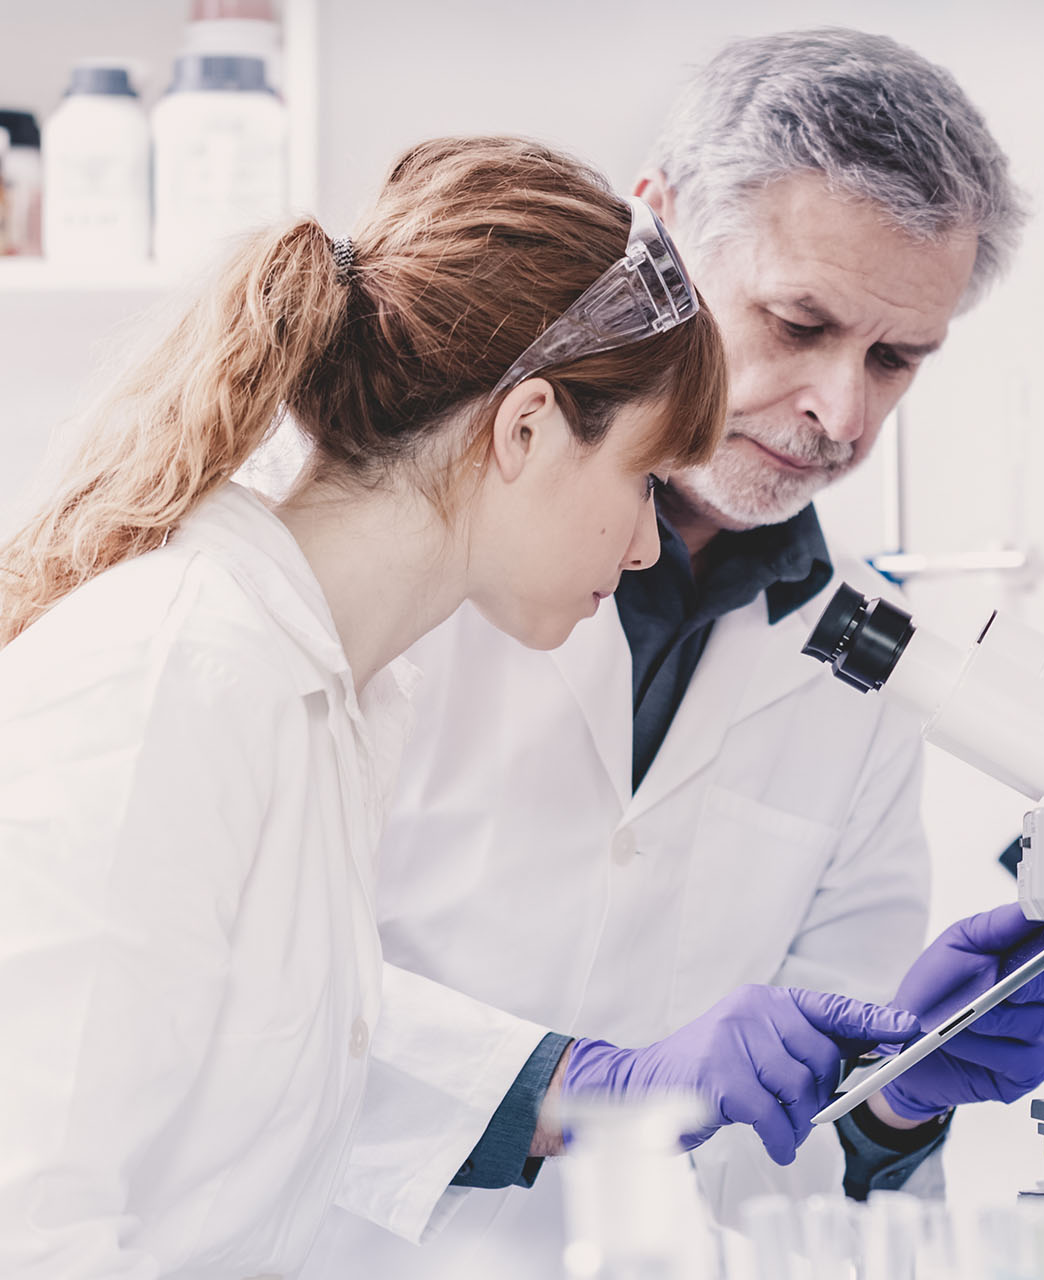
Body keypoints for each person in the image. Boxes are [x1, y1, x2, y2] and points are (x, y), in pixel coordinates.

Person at [0, 134, 942, 1278]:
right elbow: (31, 1218)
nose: (650, 541)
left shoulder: (329, 703)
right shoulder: (174, 674)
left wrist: (623, 1088)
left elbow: (270, 1075)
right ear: (527, 426)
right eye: (643, 477)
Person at [307, 27, 1044, 1276]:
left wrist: (898, 1090)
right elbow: (243, 992)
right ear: (654, 227)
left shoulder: (867, 664)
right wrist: (575, 1083)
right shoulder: (412, 537)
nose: (842, 411)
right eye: (799, 322)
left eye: (894, 358)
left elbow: (793, 1153)